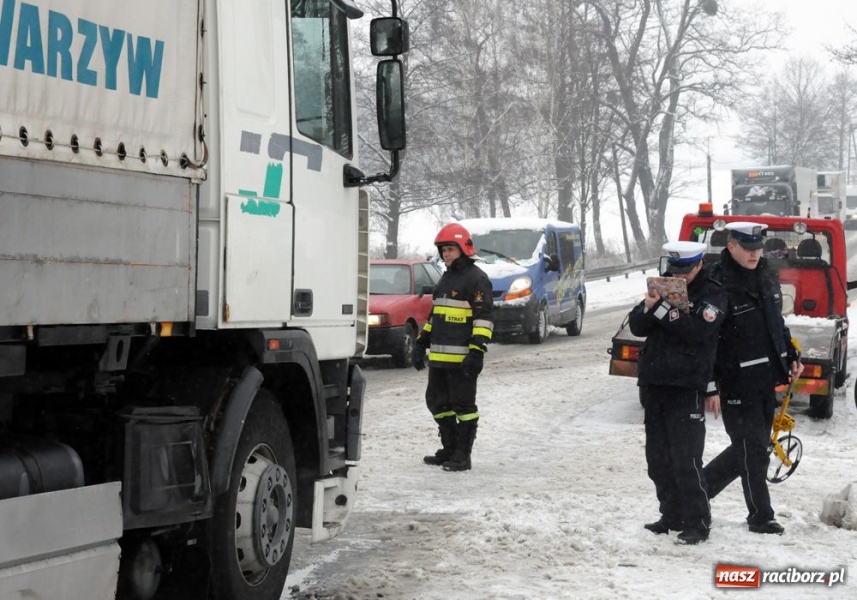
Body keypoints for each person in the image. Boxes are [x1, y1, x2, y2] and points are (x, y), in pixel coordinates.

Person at [703, 222, 803, 535]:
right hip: (734, 380)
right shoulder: (716, 283)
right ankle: (758, 515)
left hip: (765, 377)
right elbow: (706, 340)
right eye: (748, 248)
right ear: (731, 245)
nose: (755, 254)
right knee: (752, 448)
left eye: (758, 248)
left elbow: (776, 323)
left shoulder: (765, 276)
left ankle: (697, 493)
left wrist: (791, 355)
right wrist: (710, 386)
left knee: (753, 449)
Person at [628, 241, 727, 544]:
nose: (680, 276)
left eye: (686, 270)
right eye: (676, 270)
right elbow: (636, 326)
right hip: (656, 383)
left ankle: (697, 521)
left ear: (698, 265)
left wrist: (659, 309)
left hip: (687, 386)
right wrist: (648, 306)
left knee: (686, 460)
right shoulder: (664, 287)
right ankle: (670, 515)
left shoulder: (713, 293)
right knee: (657, 459)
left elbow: (696, 332)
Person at [412, 222, 494, 472]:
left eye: (451, 249)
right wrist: (421, 342)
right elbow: (435, 315)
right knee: (436, 402)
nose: (446, 254)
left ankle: (462, 455)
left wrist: (477, 351)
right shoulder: (446, 278)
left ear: (463, 249)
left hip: (463, 358)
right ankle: (449, 448)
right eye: (443, 249)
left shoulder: (477, 279)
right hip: (438, 357)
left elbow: (484, 318)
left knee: (464, 407)